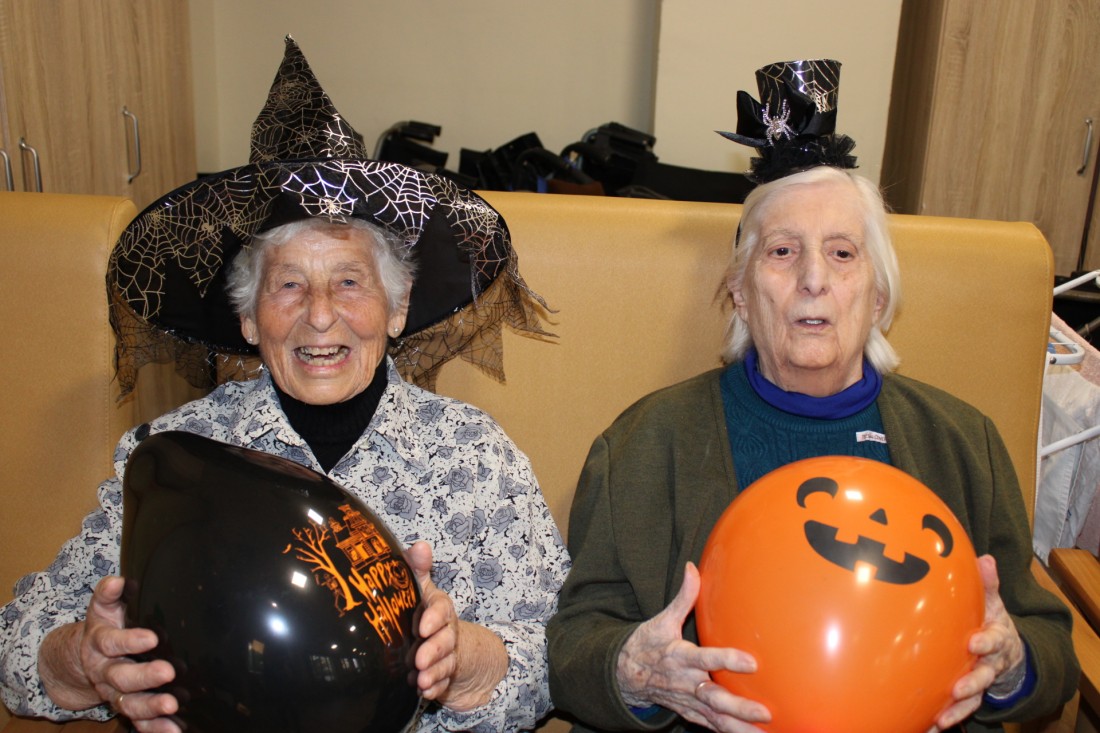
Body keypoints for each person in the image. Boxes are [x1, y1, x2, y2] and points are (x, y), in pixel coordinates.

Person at [0, 38, 568, 733]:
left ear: (397, 309)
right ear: (247, 318)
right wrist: (84, 660)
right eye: (288, 284)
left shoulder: (475, 456)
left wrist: (465, 660)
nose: (320, 314)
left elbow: (560, 656)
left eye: (349, 281)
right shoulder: (174, 458)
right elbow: (17, 641)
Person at [546, 59, 1079, 733]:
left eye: (843, 253)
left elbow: (1047, 641)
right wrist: (634, 670)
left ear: (878, 297)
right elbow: (574, 646)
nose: (813, 280)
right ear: (740, 292)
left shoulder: (962, 439)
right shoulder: (644, 443)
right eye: (782, 252)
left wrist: (1011, 662)